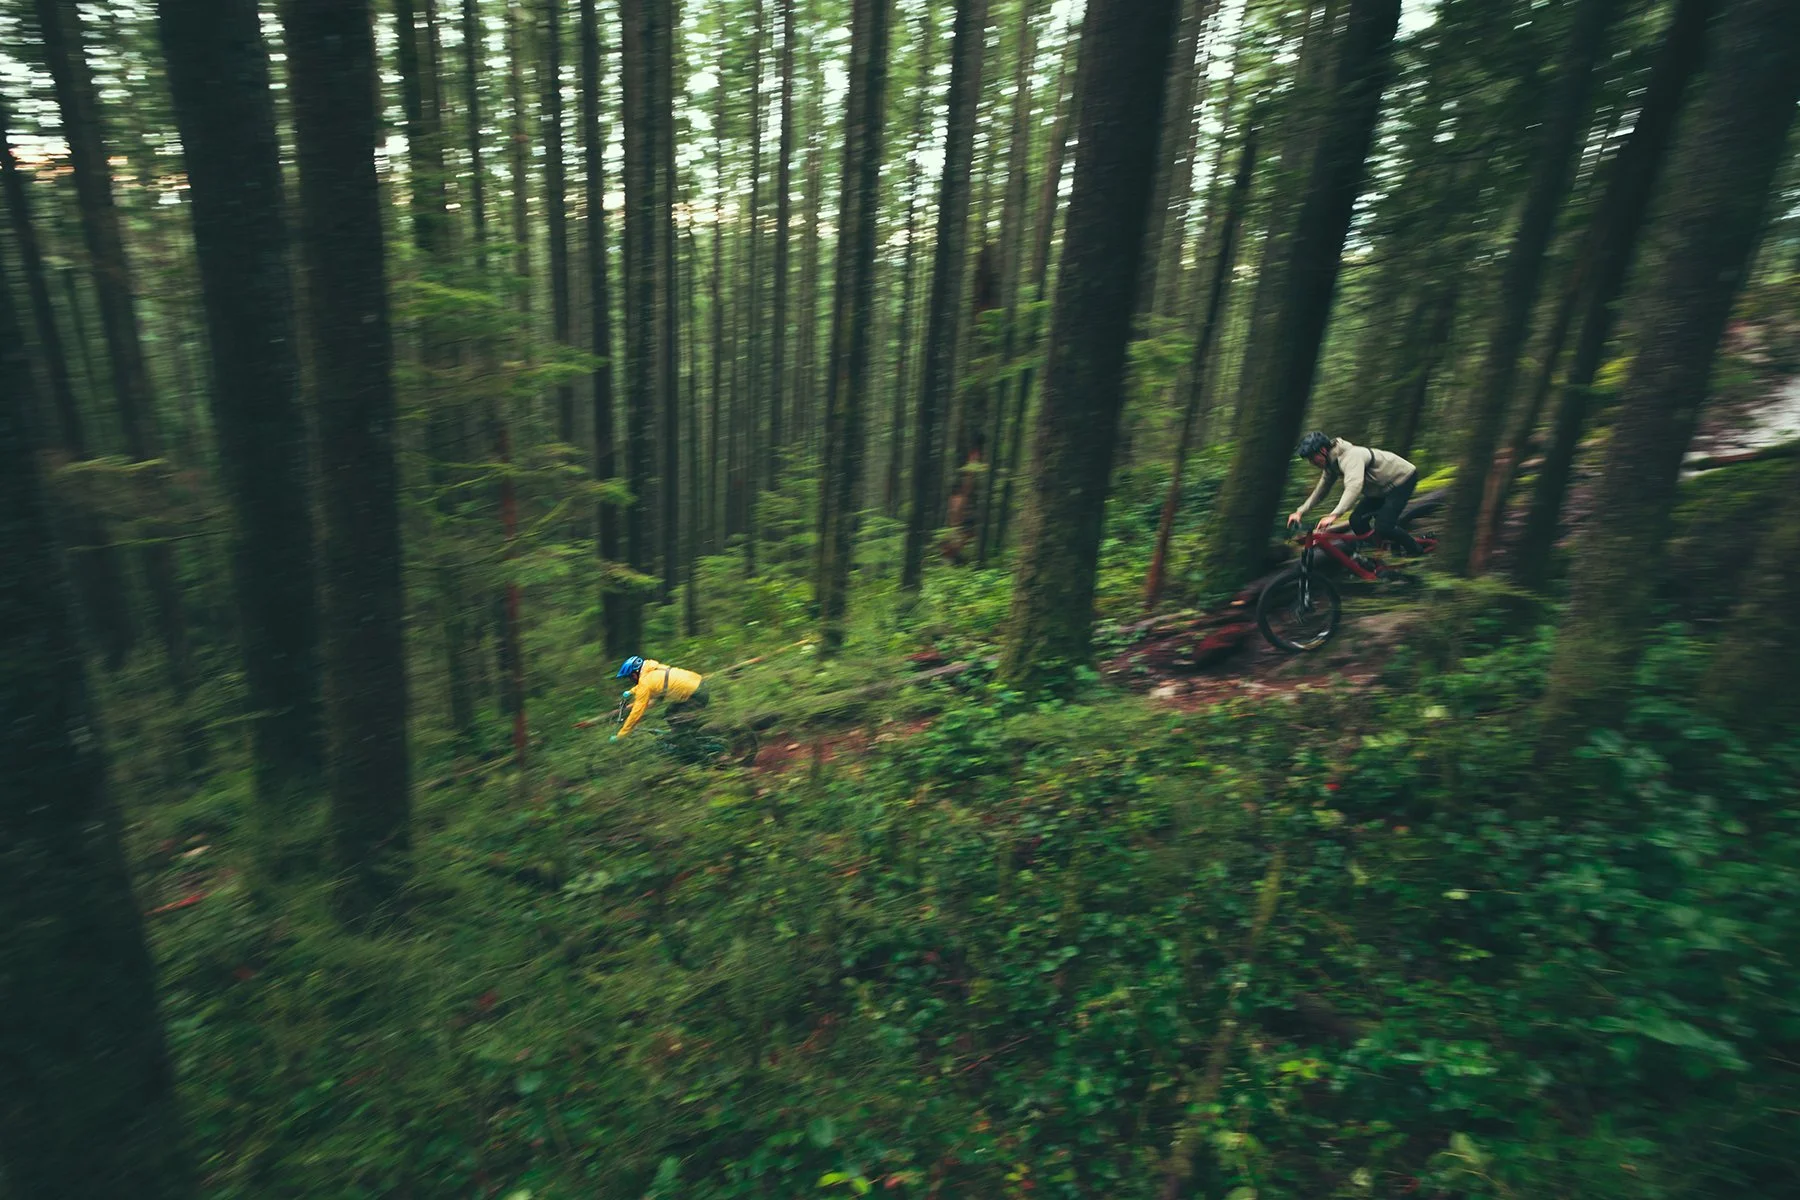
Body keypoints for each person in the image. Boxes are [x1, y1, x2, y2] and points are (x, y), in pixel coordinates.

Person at [1286, 430, 1422, 555]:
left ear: (1322, 451)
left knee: (1384, 526)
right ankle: (1379, 552)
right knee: (1356, 521)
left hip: (1402, 480)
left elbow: (1354, 486)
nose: (1311, 462)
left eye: (1312, 457)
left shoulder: (1351, 456)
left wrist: (1334, 515)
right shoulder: (1331, 465)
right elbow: (1321, 490)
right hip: (1380, 489)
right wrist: (1300, 511)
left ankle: (1416, 553)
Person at [611, 654, 709, 740]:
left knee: (680, 735)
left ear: (634, 674)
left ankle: (707, 757)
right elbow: (653, 684)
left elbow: (637, 712)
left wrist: (622, 734)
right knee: (670, 712)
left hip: (695, 695)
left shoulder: (645, 683)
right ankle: (696, 732)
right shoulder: (654, 669)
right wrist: (631, 691)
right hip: (700, 685)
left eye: (630, 677)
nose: (631, 680)